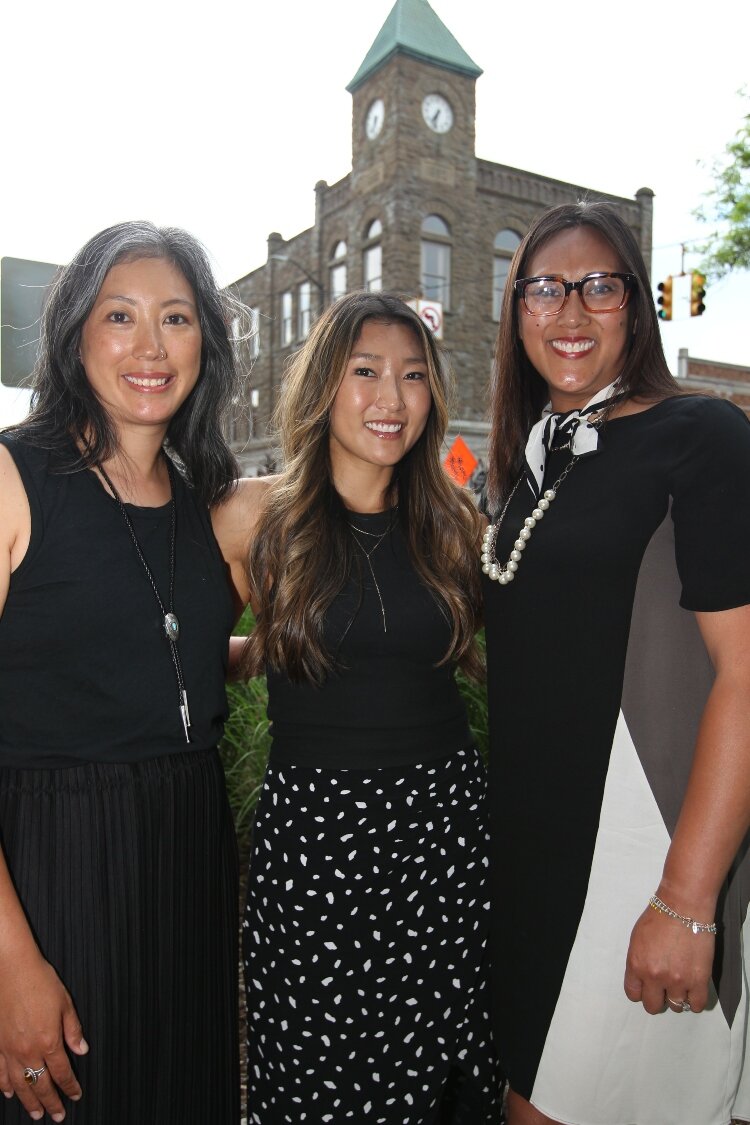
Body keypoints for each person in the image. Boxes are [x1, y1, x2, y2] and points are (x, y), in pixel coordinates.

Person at [482, 200, 750, 1125]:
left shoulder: (700, 436)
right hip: (530, 858)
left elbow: (746, 677)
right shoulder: (531, 468)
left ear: (636, 307)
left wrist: (686, 899)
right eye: (544, 289)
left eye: (600, 286)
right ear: (515, 312)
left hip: (637, 849)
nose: (570, 311)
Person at [212, 291, 503, 1123]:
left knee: (446, 1079)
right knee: (317, 1078)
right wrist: (274, 648)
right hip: (316, 844)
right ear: (323, 386)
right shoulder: (252, 514)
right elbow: (180, 647)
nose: (391, 398)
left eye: (413, 376)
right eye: (366, 371)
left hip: (445, 834)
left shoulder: (452, 520)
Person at [0, 221, 246, 1124]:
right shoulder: (12, 477)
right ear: (75, 334)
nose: (150, 346)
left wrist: (269, 654)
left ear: (205, 346)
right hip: (52, 872)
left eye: (176, 318)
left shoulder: (197, 500)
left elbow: (131, 655)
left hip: (185, 865)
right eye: (121, 315)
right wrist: (9, 964)